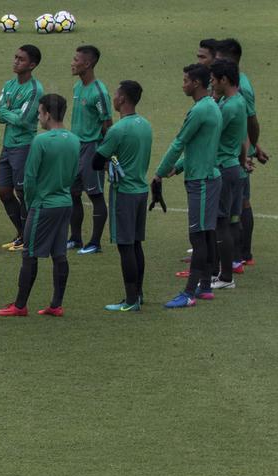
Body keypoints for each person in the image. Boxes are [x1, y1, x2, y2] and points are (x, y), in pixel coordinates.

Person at [0, 94, 79, 318]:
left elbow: (29, 179)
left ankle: (20, 306)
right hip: (65, 203)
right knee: (59, 254)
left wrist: (30, 204)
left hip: (43, 205)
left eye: (40, 113)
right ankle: (56, 304)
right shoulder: (73, 139)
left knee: (29, 254)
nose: (38, 117)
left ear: (48, 114)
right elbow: (73, 173)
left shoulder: (41, 141)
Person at [155, 64, 222, 309]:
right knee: (205, 233)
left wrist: (159, 173)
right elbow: (202, 146)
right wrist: (181, 167)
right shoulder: (210, 106)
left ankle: (189, 293)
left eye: (185, 80)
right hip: (206, 175)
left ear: (196, 83)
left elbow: (180, 142)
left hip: (202, 181)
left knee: (198, 236)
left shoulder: (200, 110)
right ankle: (205, 287)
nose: (182, 84)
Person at [92, 80, 152, 311]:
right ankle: (138, 293)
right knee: (136, 244)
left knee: (125, 246)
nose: (113, 98)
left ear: (123, 99)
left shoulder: (118, 130)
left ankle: (130, 300)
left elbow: (96, 161)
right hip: (141, 190)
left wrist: (109, 157)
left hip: (123, 193)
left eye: (115, 94)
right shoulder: (145, 124)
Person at [214, 39, 265, 269]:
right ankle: (235, 254)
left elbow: (250, 121)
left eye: (216, 59)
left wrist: (252, 148)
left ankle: (240, 254)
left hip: (235, 157)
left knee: (241, 204)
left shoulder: (240, 88)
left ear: (227, 60)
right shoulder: (234, 84)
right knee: (236, 205)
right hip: (238, 154)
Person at [0, 45, 43, 251]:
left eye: (21, 59)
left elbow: (24, 120)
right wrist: (9, 112)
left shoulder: (35, 90)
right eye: (15, 57)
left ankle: (28, 236)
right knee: (4, 191)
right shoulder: (8, 85)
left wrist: (8, 111)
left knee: (23, 192)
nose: (15, 61)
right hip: (8, 145)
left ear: (32, 65)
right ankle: (21, 233)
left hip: (24, 146)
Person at [207, 59, 249, 290]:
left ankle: (225, 277)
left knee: (220, 223)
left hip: (223, 166)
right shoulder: (238, 101)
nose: (211, 83)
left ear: (224, 80)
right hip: (233, 165)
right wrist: (243, 159)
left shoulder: (229, 107)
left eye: (214, 80)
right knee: (223, 222)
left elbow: (210, 133)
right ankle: (221, 273)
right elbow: (243, 137)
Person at [68, 45, 112, 253]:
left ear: (87, 64)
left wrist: (105, 156)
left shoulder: (99, 92)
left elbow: (108, 126)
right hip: (75, 148)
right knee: (73, 193)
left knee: (95, 195)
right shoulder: (78, 88)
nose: (72, 63)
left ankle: (95, 242)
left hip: (92, 148)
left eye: (76, 59)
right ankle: (75, 238)